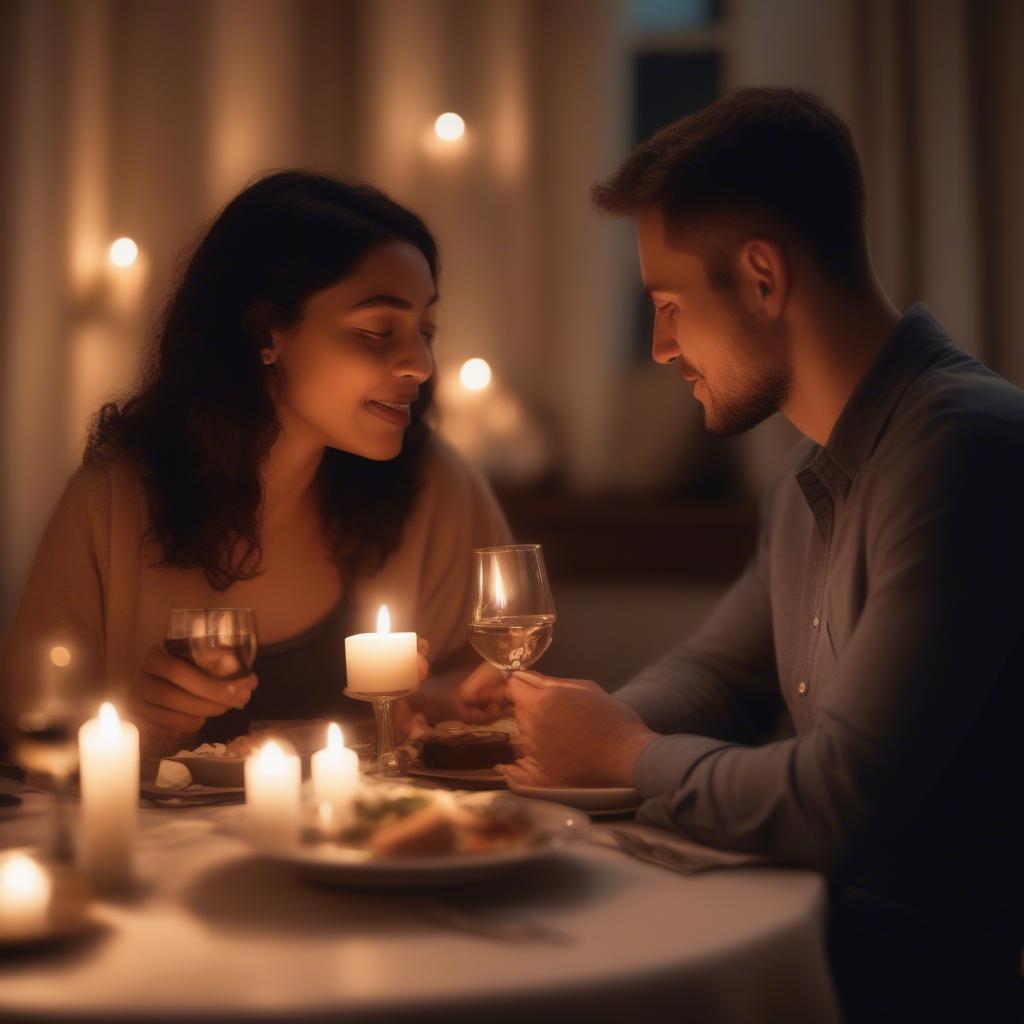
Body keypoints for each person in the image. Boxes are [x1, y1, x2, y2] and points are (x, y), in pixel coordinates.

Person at [460, 88, 1024, 1021]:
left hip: (920, 983)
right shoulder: (812, 468)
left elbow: (838, 799)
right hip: (833, 946)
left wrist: (626, 753)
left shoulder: (965, 449)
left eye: (672, 305)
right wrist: (577, 726)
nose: (660, 345)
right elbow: (720, 674)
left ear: (763, 278)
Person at [2, 170, 509, 757]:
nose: (420, 363)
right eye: (377, 330)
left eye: (426, 330)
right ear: (267, 330)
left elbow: (492, 701)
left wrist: (437, 704)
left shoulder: (435, 487)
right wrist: (135, 722)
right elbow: (30, 727)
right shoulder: (116, 496)